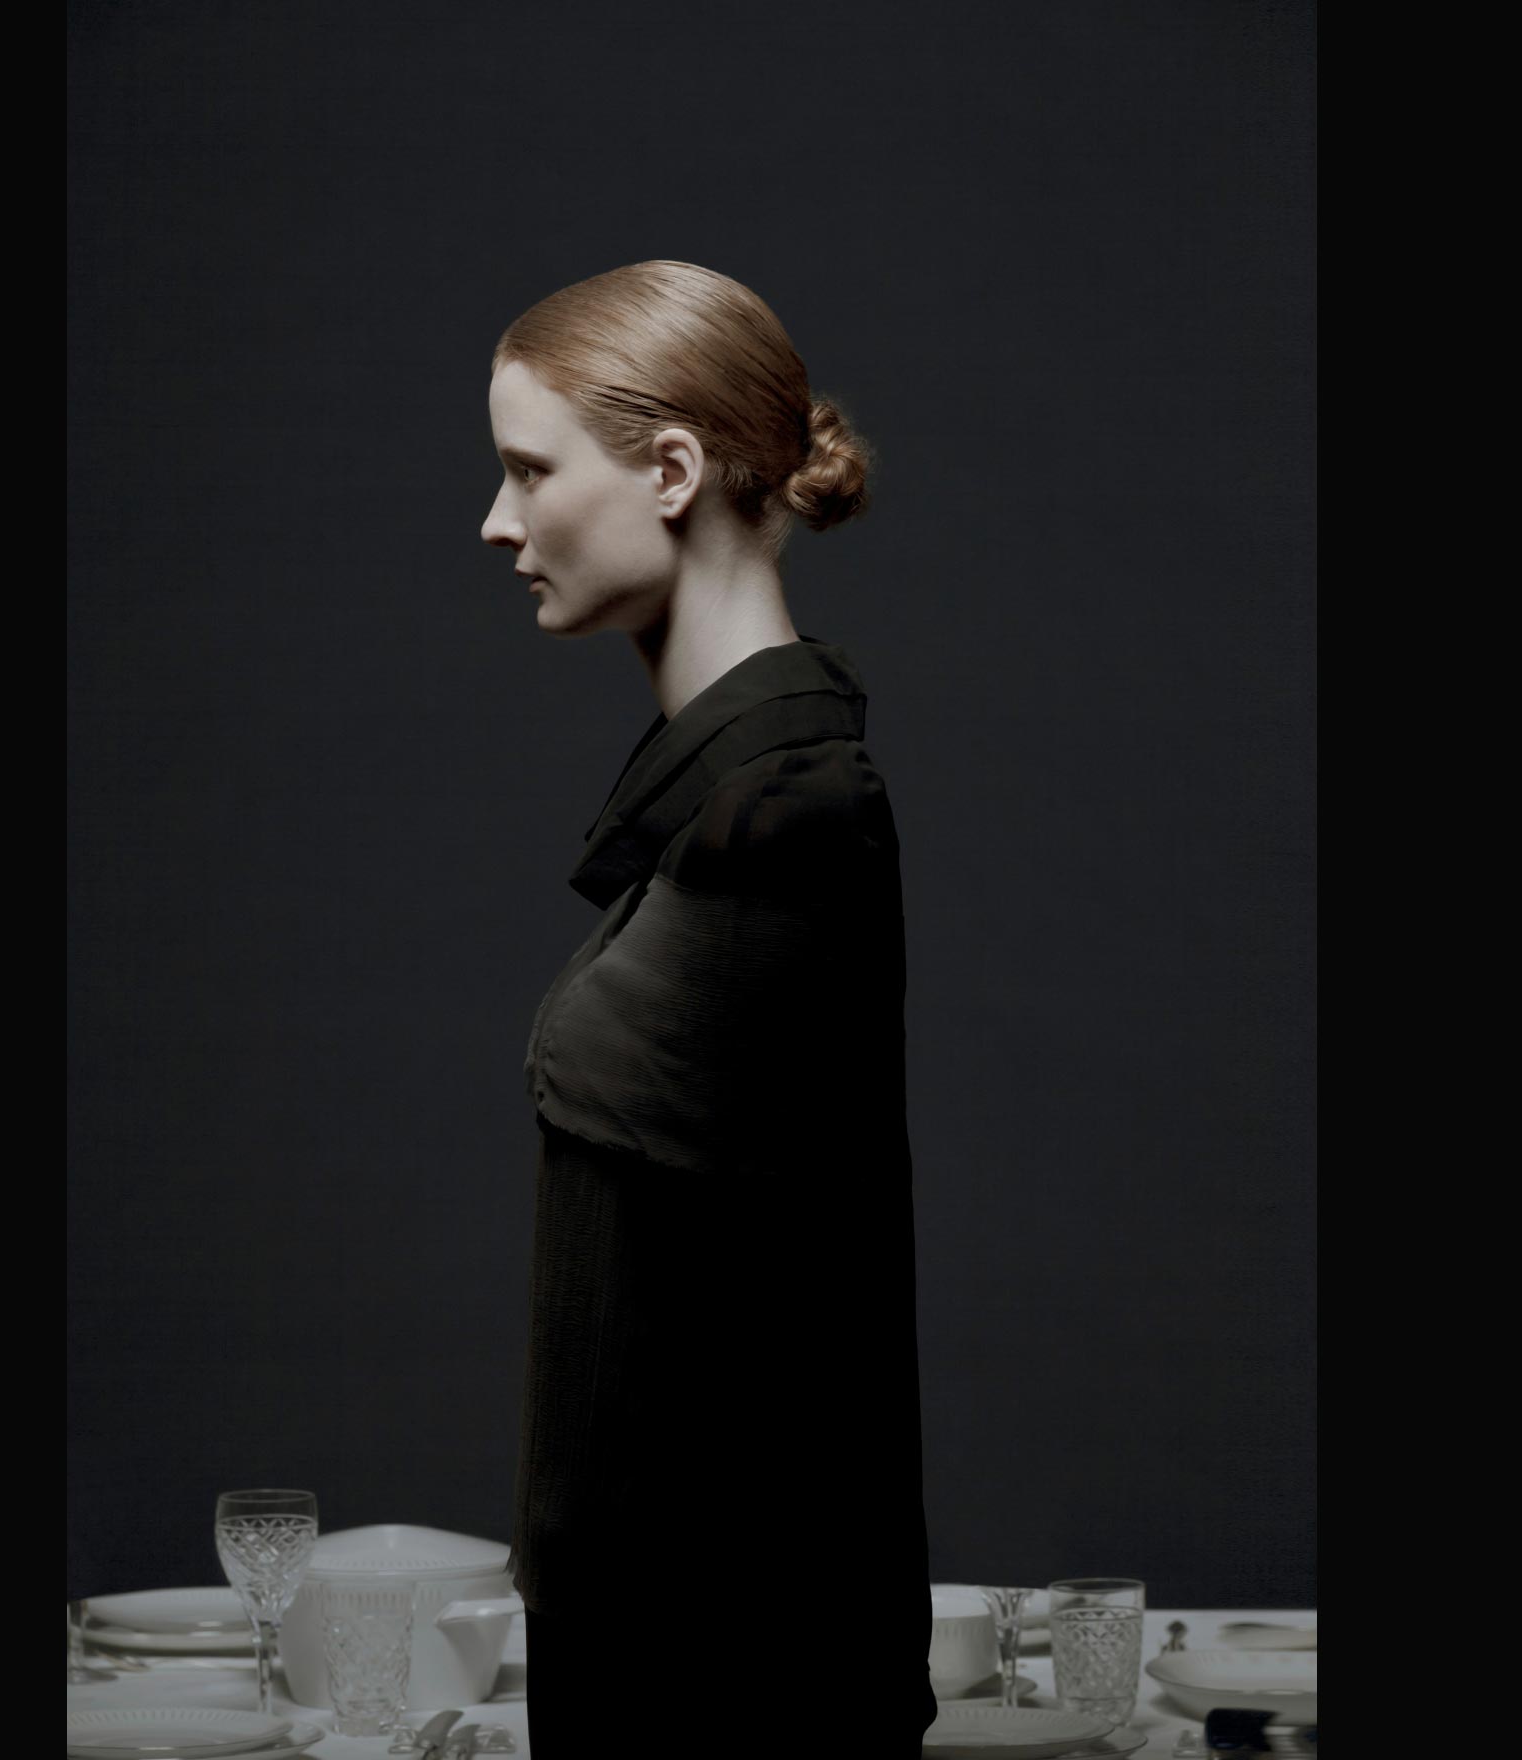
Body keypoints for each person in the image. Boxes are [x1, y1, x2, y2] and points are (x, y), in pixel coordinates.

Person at [481, 261, 934, 1750]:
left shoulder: (786, 817)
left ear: (670, 469)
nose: (499, 523)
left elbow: (763, 1381)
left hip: (715, 1691)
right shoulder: (739, 802)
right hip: (667, 1664)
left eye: (528, 471)